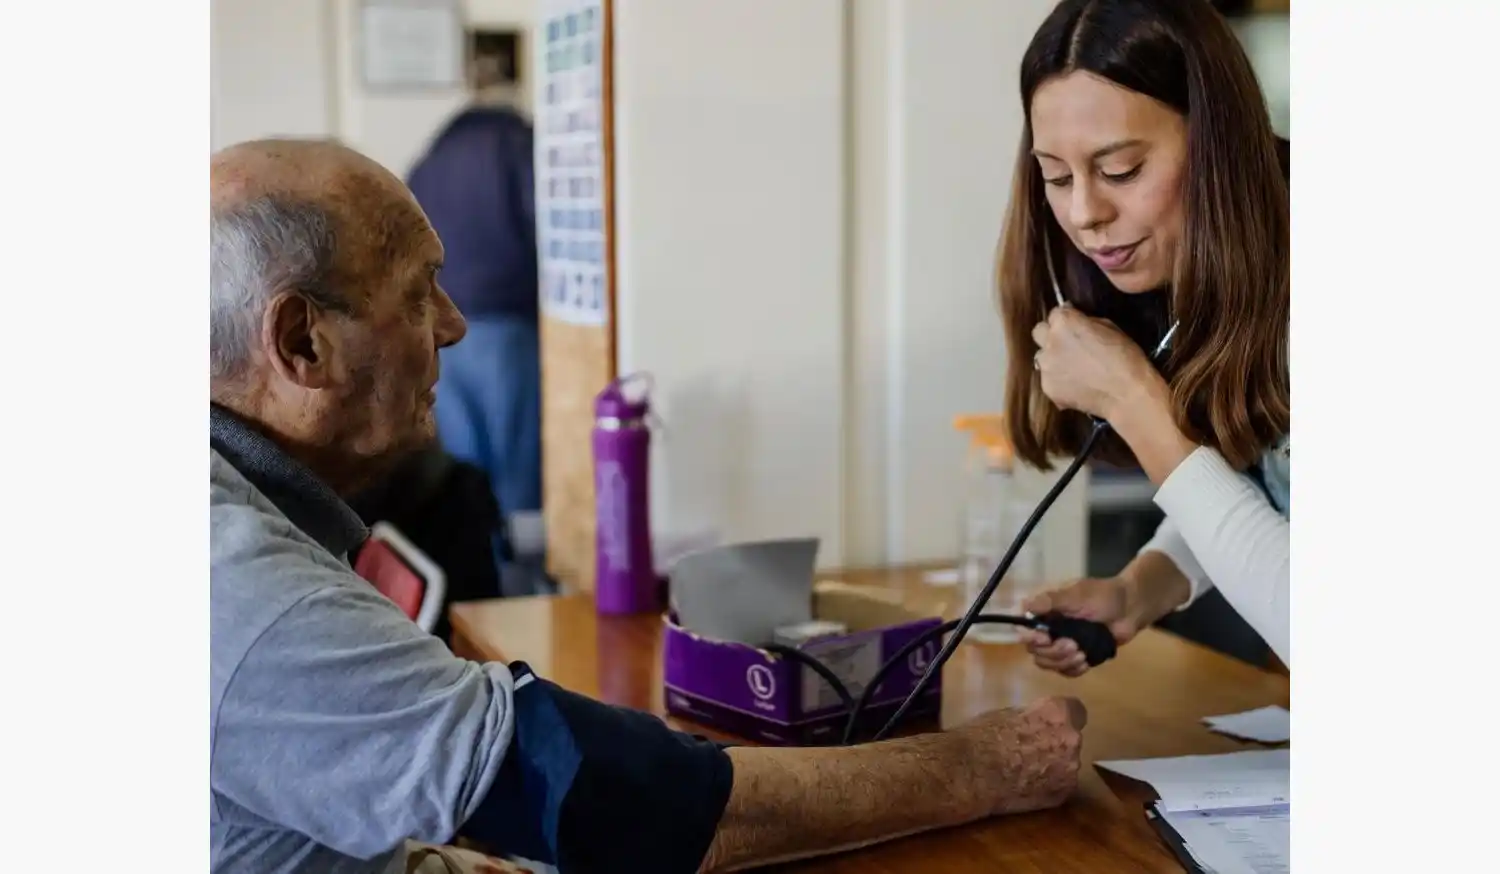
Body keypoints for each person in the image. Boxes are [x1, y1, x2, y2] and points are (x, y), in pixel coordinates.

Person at [209, 138, 1087, 874]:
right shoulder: (238, 587)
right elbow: (616, 802)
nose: (453, 325)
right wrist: (983, 765)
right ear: (301, 342)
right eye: (416, 292)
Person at [994, 0, 1290, 673]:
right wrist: (1145, 585)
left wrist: (1131, 399)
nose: (1084, 212)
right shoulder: (1222, 279)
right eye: (1056, 176)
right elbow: (1275, 483)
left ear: (1219, 144)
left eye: (1122, 170)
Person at [406, 102, 542, 521]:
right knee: (518, 469)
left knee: (465, 462)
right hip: (508, 329)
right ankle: (521, 559)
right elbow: (546, 226)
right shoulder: (518, 147)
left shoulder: (430, 160)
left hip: (441, 332)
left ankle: (483, 550)